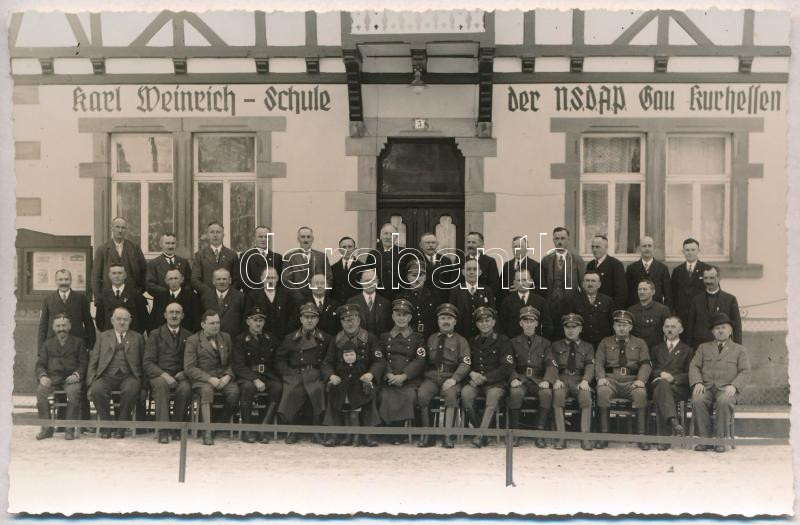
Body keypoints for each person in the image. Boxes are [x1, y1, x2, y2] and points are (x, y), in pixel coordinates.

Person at [321, 304, 385, 447]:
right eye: (345, 320)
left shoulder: (369, 338)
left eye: (352, 319)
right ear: (341, 322)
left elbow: (379, 361)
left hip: (362, 379)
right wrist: (331, 376)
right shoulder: (336, 340)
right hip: (342, 380)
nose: (349, 323)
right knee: (334, 392)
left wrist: (371, 374)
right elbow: (327, 362)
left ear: (359, 320)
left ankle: (368, 435)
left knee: (368, 392)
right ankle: (335, 435)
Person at [689, 312, 751, 453]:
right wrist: (697, 382)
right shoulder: (703, 348)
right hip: (706, 387)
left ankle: (720, 441)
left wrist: (734, 385)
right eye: (717, 328)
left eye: (724, 327)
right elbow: (694, 366)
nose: (720, 331)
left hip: (726, 389)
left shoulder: (739, 350)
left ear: (730, 330)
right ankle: (704, 440)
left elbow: (745, 371)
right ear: (712, 331)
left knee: (724, 401)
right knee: (698, 399)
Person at [594, 310, 652, 450]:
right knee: (602, 392)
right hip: (611, 380)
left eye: (625, 325)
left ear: (630, 327)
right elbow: (598, 363)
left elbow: (646, 363)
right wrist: (601, 378)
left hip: (631, 380)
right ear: (614, 326)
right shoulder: (605, 342)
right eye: (618, 325)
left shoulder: (640, 343)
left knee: (640, 393)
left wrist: (641, 380)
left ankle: (642, 436)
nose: (621, 328)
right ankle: (604, 435)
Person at [416, 303, 471, 448]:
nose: (446, 321)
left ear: (455, 321)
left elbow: (465, 363)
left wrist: (454, 379)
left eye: (449, 318)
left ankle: (447, 435)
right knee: (422, 394)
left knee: (451, 396)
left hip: (451, 376)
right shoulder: (431, 339)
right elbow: (423, 361)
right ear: (438, 321)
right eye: (442, 318)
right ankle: (428, 436)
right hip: (432, 377)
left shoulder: (461, 341)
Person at [275, 303, 331, 444]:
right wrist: (288, 373)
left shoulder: (325, 338)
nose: (309, 320)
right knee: (292, 390)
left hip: (316, 374)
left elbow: (329, 360)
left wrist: (325, 374)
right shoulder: (290, 338)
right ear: (301, 319)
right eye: (306, 317)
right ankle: (294, 430)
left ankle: (316, 431)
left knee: (318, 390)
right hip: (296, 373)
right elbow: (279, 359)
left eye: (313, 317)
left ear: (317, 320)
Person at [183, 310, 239, 446]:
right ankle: (207, 432)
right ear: (203, 325)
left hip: (223, 378)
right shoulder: (193, 340)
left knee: (235, 392)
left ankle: (218, 425)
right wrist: (209, 379)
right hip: (203, 379)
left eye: (217, 323)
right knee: (207, 391)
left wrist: (228, 376)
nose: (216, 326)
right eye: (212, 323)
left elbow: (234, 361)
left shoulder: (226, 337)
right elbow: (189, 367)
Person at [87, 307, 144, 439]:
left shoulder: (138, 338)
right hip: (107, 375)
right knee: (97, 390)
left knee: (130, 390)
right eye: (118, 319)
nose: (122, 322)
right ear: (112, 321)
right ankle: (107, 425)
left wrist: (143, 385)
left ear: (130, 321)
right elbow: (93, 361)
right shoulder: (103, 337)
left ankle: (121, 427)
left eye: (125, 319)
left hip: (129, 376)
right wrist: (90, 383)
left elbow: (143, 363)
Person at [462, 306, 514, 448]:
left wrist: (485, 378)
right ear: (477, 324)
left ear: (493, 322)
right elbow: (465, 361)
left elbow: (507, 366)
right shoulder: (472, 341)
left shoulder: (503, 340)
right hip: (474, 382)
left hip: (495, 382)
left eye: (487, 320)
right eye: (481, 321)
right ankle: (482, 431)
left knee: (492, 399)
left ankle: (479, 436)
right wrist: (471, 373)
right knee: (465, 395)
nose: (484, 324)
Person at [232, 307, 283, 444]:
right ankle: (247, 430)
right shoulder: (240, 340)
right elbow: (238, 365)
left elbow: (277, 360)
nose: (258, 323)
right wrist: (254, 379)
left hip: (267, 375)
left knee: (278, 387)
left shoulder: (270, 338)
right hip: (247, 376)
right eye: (255, 320)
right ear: (248, 322)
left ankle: (263, 429)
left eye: (261, 320)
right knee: (248, 387)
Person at [378, 299, 427, 441]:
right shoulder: (384, 337)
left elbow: (420, 360)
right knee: (383, 396)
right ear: (393, 316)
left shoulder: (418, 338)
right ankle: (388, 431)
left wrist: (404, 376)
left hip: (408, 381)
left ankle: (399, 432)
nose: (401, 318)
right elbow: (380, 358)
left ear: (410, 317)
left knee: (410, 396)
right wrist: (388, 374)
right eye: (398, 315)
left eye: (405, 315)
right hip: (389, 380)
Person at [143, 302, 192, 444]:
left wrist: (185, 372)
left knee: (185, 388)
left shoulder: (189, 336)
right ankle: (163, 430)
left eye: (177, 312)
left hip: (180, 375)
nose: (174, 315)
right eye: (171, 312)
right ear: (165, 315)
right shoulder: (155, 334)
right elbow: (148, 362)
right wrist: (164, 375)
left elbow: (193, 361)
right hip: (159, 375)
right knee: (161, 386)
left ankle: (176, 428)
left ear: (183, 316)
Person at [34, 315, 87, 440]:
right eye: (58, 326)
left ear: (69, 326)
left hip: (70, 379)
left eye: (64, 325)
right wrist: (43, 376)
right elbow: (40, 364)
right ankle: (47, 428)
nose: (61, 328)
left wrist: (76, 375)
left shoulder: (78, 343)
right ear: (53, 328)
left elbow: (84, 363)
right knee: (41, 392)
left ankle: (69, 429)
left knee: (73, 393)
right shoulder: (47, 344)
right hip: (52, 378)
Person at [507, 306, 553, 448]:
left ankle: (540, 433)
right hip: (520, 379)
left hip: (538, 379)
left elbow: (551, 364)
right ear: (520, 323)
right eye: (525, 321)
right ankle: (515, 433)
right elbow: (507, 364)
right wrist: (513, 378)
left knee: (546, 393)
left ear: (536, 323)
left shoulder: (545, 343)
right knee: (515, 393)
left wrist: (547, 380)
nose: (528, 324)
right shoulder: (512, 342)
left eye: (531, 321)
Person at [549, 313, 595, 451]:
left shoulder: (588, 347)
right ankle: (561, 438)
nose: (570, 330)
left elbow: (590, 365)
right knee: (558, 396)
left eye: (574, 327)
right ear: (563, 329)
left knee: (586, 397)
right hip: (562, 378)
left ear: (580, 329)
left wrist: (586, 380)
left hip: (579, 379)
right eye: (567, 327)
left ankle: (585, 438)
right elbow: (551, 364)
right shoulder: (555, 346)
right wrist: (555, 379)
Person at [649, 316, 693, 450]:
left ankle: (664, 439)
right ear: (663, 329)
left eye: (673, 327)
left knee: (662, 392)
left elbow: (690, 374)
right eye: (667, 326)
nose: (669, 330)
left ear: (681, 330)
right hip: (659, 384)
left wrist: (673, 378)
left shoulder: (688, 350)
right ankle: (673, 420)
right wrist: (661, 374)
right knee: (662, 386)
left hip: (678, 388)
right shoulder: (656, 349)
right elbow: (650, 369)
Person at [37, 269, 96, 349]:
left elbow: (89, 325)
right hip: (53, 347)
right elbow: (43, 326)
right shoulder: (48, 300)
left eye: (66, 279)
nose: (63, 282)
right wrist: (41, 350)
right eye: (60, 279)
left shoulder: (81, 299)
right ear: (56, 281)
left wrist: (90, 347)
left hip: (76, 346)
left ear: (71, 280)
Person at [686, 266, 742, 348]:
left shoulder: (730, 299)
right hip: (700, 346)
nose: (708, 281)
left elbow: (737, 327)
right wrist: (689, 349)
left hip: (723, 346)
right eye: (706, 278)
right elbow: (690, 327)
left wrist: (738, 348)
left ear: (719, 278)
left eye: (712, 278)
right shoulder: (696, 300)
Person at [90, 216, 147, 299]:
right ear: (112, 228)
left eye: (123, 228)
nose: (120, 230)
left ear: (126, 230)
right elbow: (96, 277)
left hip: (132, 297)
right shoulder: (102, 250)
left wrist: (139, 291)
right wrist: (99, 299)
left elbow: (144, 271)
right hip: (109, 298)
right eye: (117, 227)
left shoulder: (134, 248)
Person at [558, 271, 614, 348]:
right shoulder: (573, 300)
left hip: (602, 344)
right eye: (587, 281)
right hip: (581, 345)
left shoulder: (608, 301)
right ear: (583, 284)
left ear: (599, 284)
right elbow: (567, 324)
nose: (590, 284)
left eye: (593, 281)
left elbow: (612, 324)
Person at [670, 238, 710, 334]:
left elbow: (713, 292)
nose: (690, 253)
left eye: (693, 250)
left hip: (701, 315)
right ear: (683, 252)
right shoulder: (677, 271)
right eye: (687, 250)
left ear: (698, 251)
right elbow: (672, 295)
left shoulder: (707, 269)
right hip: (682, 316)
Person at [94, 264, 149, 334]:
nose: (117, 276)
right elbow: (99, 320)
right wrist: (107, 334)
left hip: (131, 336)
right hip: (110, 337)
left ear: (125, 275)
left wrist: (135, 335)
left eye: (120, 273)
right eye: (114, 273)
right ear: (109, 276)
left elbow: (144, 318)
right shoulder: (103, 296)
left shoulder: (136, 294)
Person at [449, 258, 496, 338]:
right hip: (462, 336)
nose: (472, 272)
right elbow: (452, 315)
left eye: (475, 269)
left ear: (480, 272)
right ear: (463, 272)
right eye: (468, 269)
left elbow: (493, 315)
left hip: (483, 337)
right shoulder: (456, 291)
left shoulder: (487, 291)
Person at [245, 266, 293, 341]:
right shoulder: (253, 296)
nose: (270, 281)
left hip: (282, 338)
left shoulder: (286, 295)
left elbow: (291, 317)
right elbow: (248, 318)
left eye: (273, 278)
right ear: (262, 279)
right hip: (261, 339)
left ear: (277, 278)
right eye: (267, 278)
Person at [191, 221, 241, 295]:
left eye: (218, 232)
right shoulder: (200, 255)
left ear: (223, 235)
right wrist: (210, 293)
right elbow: (195, 280)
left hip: (228, 298)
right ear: (208, 235)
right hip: (206, 297)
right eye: (212, 232)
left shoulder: (232, 254)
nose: (215, 235)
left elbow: (237, 280)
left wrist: (227, 294)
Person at [499, 269, 549, 340]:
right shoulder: (507, 302)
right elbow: (502, 327)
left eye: (525, 280)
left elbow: (547, 326)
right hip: (513, 343)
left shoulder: (541, 301)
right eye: (518, 280)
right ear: (514, 282)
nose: (522, 283)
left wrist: (541, 343)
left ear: (531, 281)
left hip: (535, 344)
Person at [397, 261, 440, 340]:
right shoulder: (401, 298)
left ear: (425, 277)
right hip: (408, 339)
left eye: (420, 275)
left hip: (430, 338)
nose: (417, 279)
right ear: (408, 277)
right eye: (414, 275)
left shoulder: (434, 297)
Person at [541, 226, 584, 303]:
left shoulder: (577, 259)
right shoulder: (546, 260)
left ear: (568, 240)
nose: (560, 241)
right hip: (551, 302)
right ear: (553, 240)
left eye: (563, 238)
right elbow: (542, 285)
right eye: (557, 239)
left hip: (571, 302)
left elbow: (583, 284)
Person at [149, 268, 200, 333]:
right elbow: (153, 319)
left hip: (186, 334)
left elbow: (196, 320)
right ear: (166, 281)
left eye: (176, 278)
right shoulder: (159, 297)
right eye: (170, 279)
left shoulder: (192, 297)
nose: (173, 282)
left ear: (182, 280)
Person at [625, 236, 671, 308]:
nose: (647, 249)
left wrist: (667, 311)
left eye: (649, 246)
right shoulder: (631, 268)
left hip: (657, 309)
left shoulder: (663, 269)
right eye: (644, 246)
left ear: (653, 248)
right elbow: (627, 292)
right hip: (637, 309)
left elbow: (668, 294)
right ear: (640, 248)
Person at [282, 226, 333, 291]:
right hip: (296, 296)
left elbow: (329, 279)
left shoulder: (322, 257)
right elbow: (286, 281)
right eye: (303, 237)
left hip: (318, 294)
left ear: (312, 239)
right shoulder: (289, 257)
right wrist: (297, 296)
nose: (306, 240)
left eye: (308, 237)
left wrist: (320, 294)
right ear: (298, 239)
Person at [200, 268, 245, 338]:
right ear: (213, 281)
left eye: (224, 279)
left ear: (230, 280)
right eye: (218, 279)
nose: (221, 282)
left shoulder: (240, 297)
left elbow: (244, 320)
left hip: (234, 339)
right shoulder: (205, 297)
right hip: (211, 338)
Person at [347, 268, 392, 336]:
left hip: (380, 341)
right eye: (367, 280)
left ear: (377, 282)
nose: (370, 283)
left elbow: (388, 328)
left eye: (373, 280)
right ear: (361, 282)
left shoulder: (385, 303)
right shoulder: (351, 302)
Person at [145, 233, 192, 298]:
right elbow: (150, 285)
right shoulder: (153, 264)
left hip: (181, 300)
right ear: (160, 244)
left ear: (176, 244)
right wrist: (168, 293)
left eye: (173, 243)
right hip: (161, 300)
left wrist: (180, 293)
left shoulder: (184, 263)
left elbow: (189, 282)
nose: (170, 246)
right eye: (167, 243)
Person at [586, 235, 627, 309]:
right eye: (593, 247)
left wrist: (615, 310)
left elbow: (621, 292)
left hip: (609, 309)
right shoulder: (590, 265)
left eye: (598, 247)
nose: (594, 250)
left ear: (606, 248)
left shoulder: (615, 265)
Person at [629, 279, 671, 351]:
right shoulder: (631, 310)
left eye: (645, 289)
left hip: (657, 351)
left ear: (653, 292)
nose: (641, 292)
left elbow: (670, 332)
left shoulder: (663, 310)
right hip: (636, 351)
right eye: (639, 289)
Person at [239, 226, 283, 292]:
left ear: (270, 238)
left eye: (266, 237)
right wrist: (260, 295)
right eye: (260, 237)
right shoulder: (245, 256)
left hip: (272, 295)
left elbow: (279, 281)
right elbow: (244, 281)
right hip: (252, 296)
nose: (263, 239)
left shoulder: (277, 257)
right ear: (254, 238)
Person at [416, 232, 457, 302]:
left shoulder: (446, 261)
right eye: (427, 243)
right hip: (423, 301)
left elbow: (451, 283)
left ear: (437, 244)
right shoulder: (415, 260)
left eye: (433, 243)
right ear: (421, 245)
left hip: (442, 301)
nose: (431, 245)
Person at [367, 223, 404, 301]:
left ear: (396, 237)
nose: (388, 237)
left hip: (400, 297)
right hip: (378, 297)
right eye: (385, 234)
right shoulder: (373, 254)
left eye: (391, 234)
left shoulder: (403, 253)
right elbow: (368, 277)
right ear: (380, 236)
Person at [499, 236, 541, 303]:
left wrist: (522, 289)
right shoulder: (507, 265)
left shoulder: (535, 266)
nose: (517, 249)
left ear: (527, 248)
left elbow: (540, 288)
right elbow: (501, 287)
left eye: (520, 246)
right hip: (509, 304)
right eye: (515, 247)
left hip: (527, 304)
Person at [464, 231, 501, 299]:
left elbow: (494, 285)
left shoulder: (490, 262)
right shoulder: (461, 262)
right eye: (468, 242)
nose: (470, 245)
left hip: (483, 300)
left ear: (481, 244)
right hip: (464, 300)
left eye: (473, 242)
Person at [331, 236, 365, 304]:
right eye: (344, 247)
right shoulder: (333, 268)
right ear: (339, 250)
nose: (347, 249)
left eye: (350, 247)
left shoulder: (363, 268)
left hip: (356, 306)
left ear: (355, 249)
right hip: (337, 306)